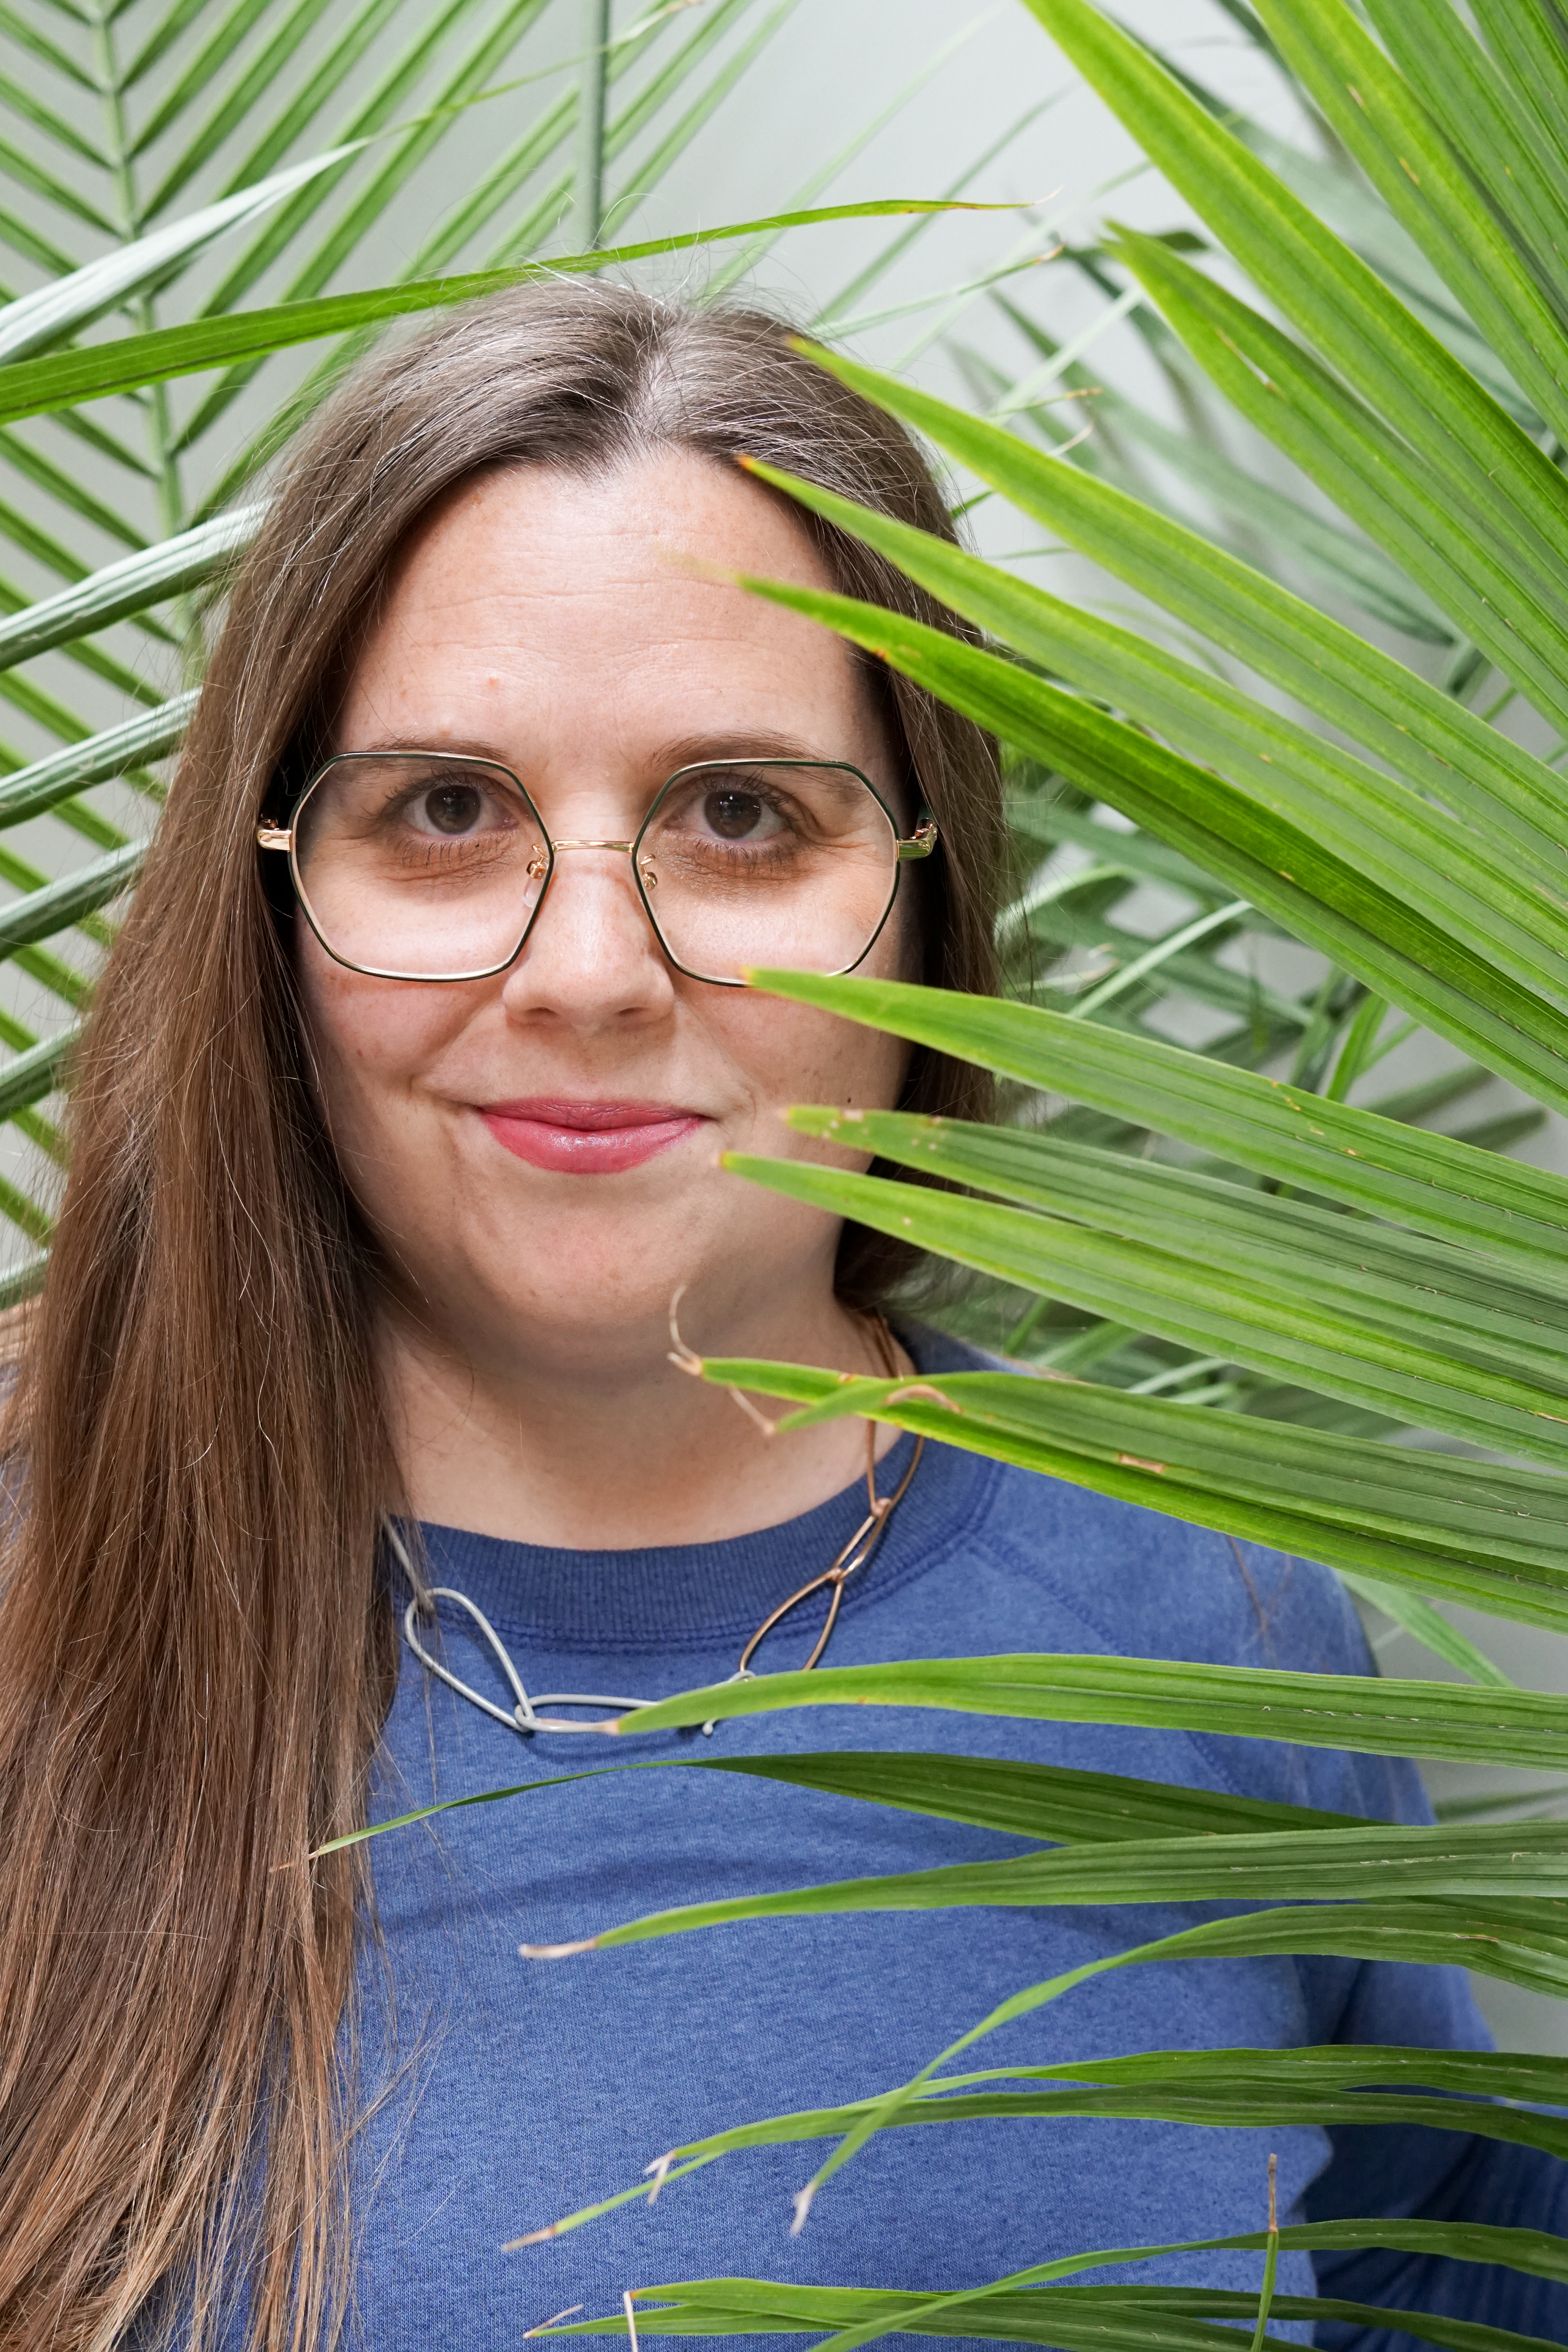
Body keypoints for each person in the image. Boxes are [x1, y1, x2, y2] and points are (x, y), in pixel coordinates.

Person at [0, 282, 1559, 2352]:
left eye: (739, 815)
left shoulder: (1217, 1609)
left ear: (928, 891)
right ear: (268, 896)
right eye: (446, 810)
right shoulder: (42, 1588)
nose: (588, 970)